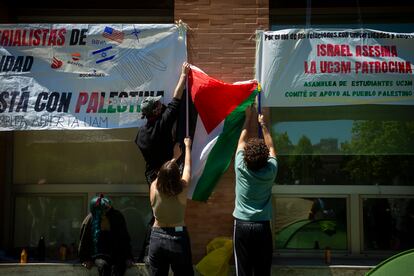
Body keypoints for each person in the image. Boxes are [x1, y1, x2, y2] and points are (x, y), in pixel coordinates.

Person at [135, 62, 190, 262]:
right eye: (159, 105)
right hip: (165, 175)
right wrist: (183, 75)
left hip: (152, 179)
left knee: (157, 215)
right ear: (156, 111)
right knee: (169, 214)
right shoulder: (163, 123)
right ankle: (156, 251)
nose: (162, 104)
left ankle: (149, 255)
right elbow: (176, 100)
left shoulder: (140, 135)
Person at [233, 106, 278, 276]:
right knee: (262, 271)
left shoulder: (240, 166)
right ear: (266, 159)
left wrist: (248, 118)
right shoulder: (271, 171)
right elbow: (272, 147)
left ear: (246, 158)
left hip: (242, 226)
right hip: (262, 227)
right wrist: (263, 125)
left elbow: (241, 142)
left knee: (243, 271)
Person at [148, 137, 194, 276]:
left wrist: (174, 158)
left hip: (157, 236)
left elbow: (163, 174)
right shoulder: (182, 189)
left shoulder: (154, 187)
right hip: (178, 237)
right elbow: (187, 168)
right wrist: (187, 147)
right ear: (177, 176)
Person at [79, 194, 134, 276]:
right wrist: (85, 258)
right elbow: (84, 241)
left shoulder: (117, 217)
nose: (104, 212)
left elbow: (124, 238)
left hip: (117, 253)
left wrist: (128, 257)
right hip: (99, 254)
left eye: (106, 208)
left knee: (118, 268)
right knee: (103, 266)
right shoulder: (90, 219)